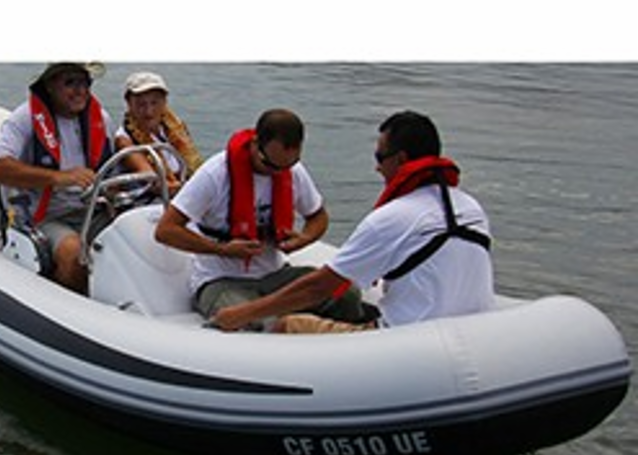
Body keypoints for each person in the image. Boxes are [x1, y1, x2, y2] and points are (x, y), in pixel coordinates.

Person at [211, 110, 495, 333]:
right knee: (347, 299)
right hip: (475, 334)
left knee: (287, 325)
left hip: (404, 340)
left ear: (401, 160)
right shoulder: (471, 207)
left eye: (380, 157)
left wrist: (241, 314)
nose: (376, 167)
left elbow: (319, 287)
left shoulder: (391, 218)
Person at [154, 108, 366, 328]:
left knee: (347, 295)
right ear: (255, 144)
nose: (278, 173)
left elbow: (318, 217)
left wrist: (304, 238)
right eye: (271, 165)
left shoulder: (291, 170)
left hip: (275, 274)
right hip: (221, 280)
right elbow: (166, 230)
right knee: (256, 322)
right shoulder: (215, 174)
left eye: (287, 165)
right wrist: (223, 249)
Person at [0, 62, 115, 294]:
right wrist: (59, 177)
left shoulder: (101, 119)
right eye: (70, 82)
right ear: (50, 85)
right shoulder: (25, 118)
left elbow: (114, 169)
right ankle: (65, 300)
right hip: (44, 216)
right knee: (74, 256)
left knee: (134, 241)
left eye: (85, 82)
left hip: (93, 210)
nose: (80, 90)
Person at [114, 71, 203, 196]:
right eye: (141, 104)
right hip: (149, 200)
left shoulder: (177, 128)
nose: (149, 112)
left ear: (164, 102)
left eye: (154, 103)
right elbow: (151, 179)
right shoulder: (124, 139)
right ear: (129, 104)